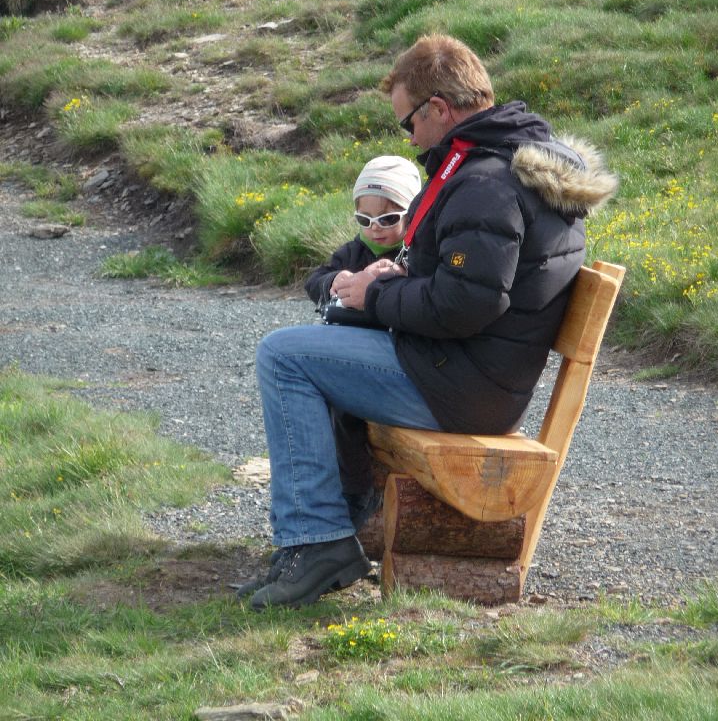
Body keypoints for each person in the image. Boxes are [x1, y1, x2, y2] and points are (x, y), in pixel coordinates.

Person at [238, 33, 618, 610]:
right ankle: (327, 532)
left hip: (459, 386)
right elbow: (470, 285)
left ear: (438, 108)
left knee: (285, 356)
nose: (410, 140)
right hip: (475, 375)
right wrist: (394, 277)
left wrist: (376, 294)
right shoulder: (509, 167)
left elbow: (464, 306)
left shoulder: (485, 183)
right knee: (313, 345)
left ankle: (316, 543)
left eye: (408, 123)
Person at [304, 155, 422, 531]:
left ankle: (357, 490)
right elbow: (315, 280)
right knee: (321, 402)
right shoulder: (353, 252)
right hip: (347, 343)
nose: (375, 229)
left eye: (388, 219)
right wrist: (334, 281)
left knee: (346, 408)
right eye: (364, 219)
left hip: (387, 354)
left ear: (412, 215)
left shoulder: (414, 255)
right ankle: (322, 486)